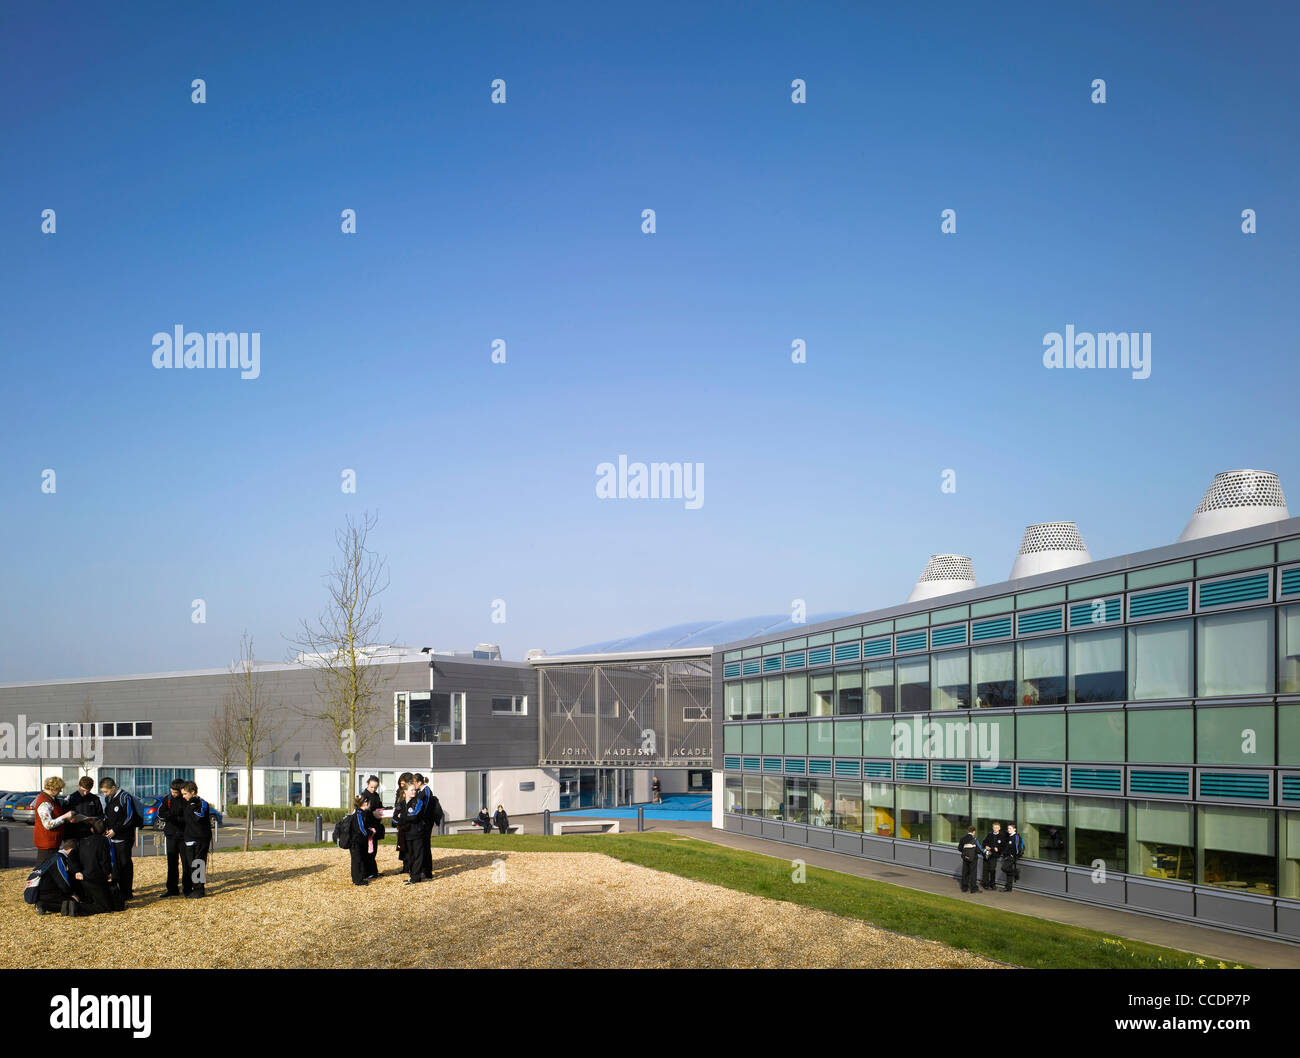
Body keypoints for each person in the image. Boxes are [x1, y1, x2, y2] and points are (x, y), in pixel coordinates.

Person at [100, 777, 141, 900]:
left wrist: (116, 830)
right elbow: (108, 816)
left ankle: (127, 891)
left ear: (113, 788)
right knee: (115, 865)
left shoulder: (125, 797)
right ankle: (117, 889)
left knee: (125, 863)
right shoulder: (109, 798)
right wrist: (107, 827)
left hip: (124, 837)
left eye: (106, 791)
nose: (104, 794)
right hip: (112, 838)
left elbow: (129, 817)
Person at [72, 820, 124, 914]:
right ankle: (76, 908)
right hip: (96, 878)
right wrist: (107, 874)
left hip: (84, 877)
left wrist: (77, 870)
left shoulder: (83, 841)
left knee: (93, 899)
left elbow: (72, 855)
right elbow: (106, 860)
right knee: (105, 907)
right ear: (106, 830)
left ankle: (80, 905)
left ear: (92, 829)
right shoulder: (104, 841)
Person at [30, 840, 82, 916]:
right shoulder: (60, 859)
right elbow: (62, 880)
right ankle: (43, 904)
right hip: (48, 891)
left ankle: (42, 903)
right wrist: (71, 894)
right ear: (71, 851)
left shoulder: (53, 856)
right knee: (72, 903)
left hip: (40, 890)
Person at [179, 781, 211, 898]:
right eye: (182, 794)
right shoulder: (186, 803)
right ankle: (189, 888)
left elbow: (199, 816)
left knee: (199, 863)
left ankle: (199, 890)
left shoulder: (202, 803)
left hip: (201, 838)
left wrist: (193, 805)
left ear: (193, 792)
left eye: (185, 794)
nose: (184, 797)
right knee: (190, 864)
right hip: (189, 838)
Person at [393, 779, 428, 883]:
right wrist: (402, 818)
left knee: (418, 855)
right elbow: (394, 820)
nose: (414, 792)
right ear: (405, 791)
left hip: (417, 833)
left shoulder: (418, 802)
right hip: (405, 834)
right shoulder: (401, 804)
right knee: (409, 857)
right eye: (411, 790)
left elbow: (415, 816)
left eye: (414, 790)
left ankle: (416, 877)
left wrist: (402, 816)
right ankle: (412, 876)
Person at [157, 779, 187, 897]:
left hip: (184, 835)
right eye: (172, 792)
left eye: (176, 792)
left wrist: (179, 818)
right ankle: (172, 888)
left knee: (187, 863)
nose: (173, 794)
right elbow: (161, 813)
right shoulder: (167, 799)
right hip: (171, 834)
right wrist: (170, 816)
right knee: (172, 863)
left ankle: (187, 887)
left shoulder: (186, 800)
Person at [33, 777, 72, 865]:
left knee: (51, 870)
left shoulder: (52, 800)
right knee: (42, 870)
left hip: (52, 842)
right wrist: (65, 817)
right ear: (52, 789)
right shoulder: (44, 803)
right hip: (47, 844)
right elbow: (48, 824)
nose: (60, 791)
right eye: (59, 789)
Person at [359, 776, 385, 879]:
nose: (373, 789)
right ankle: (367, 872)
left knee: (373, 850)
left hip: (376, 825)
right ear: (367, 784)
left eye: (375, 787)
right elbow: (362, 810)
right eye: (371, 787)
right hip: (368, 826)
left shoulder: (376, 795)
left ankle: (373, 871)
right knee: (368, 850)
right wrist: (372, 813)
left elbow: (379, 806)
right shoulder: (364, 796)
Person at [348, 795, 378, 885]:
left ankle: (361, 876)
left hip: (358, 841)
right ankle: (358, 879)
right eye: (368, 802)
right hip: (355, 841)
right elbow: (361, 828)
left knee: (360, 858)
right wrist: (369, 833)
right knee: (357, 860)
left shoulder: (360, 812)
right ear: (365, 803)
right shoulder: (359, 814)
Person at [414, 774, 435, 879]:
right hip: (423, 822)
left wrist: (420, 820)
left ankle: (427, 871)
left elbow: (425, 808)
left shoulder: (426, 792)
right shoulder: (420, 792)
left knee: (426, 846)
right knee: (423, 846)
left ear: (418, 782)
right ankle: (424, 869)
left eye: (414, 783)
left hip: (426, 823)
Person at [394, 773, 413, 868]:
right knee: (402, 845)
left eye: (403, 783)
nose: (401, 786)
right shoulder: (399, 792)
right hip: (401, 822)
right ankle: (405, 866)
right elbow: (397, 804)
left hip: (408, 822)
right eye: (400, 783)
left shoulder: (412, 791)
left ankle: (410, 866)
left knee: (409, 846)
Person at [957, 824, 983, 893]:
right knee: (973, 873)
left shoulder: (962, 839)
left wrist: (966, 853)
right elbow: (979, 850)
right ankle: (973, 888)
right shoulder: (974, 839)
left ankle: (964, 888)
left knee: (965, 872)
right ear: (974, 832)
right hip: (973, 858)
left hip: (965, 858)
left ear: (968, 831)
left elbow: (959, 848)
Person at [980, 822, 1005, 892]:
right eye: (994, 827)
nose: (995, 829)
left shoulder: (1002, 836)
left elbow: (1003, 847)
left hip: (994, 856)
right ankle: (985, 884)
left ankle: (992, 884)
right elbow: (984, 843)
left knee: (992, 870)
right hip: (987, 855)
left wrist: (998, 849)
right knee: (985, 870)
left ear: (999, 828)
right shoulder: (989, 835)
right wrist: (986, 846)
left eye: (997, 827)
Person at [1002, 823, 1025, 893]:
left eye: (1010, 828)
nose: (1008, 830)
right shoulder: (1009, 836)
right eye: (1008, 828)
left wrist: (1014, 855)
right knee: (1008, 872)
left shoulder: (1016, 837)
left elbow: (1018, 848)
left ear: (1014, 829)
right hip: (1007, 856)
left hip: (1012, 857)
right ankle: (1008, 888)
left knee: (1004, 868)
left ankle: (1015, 872)